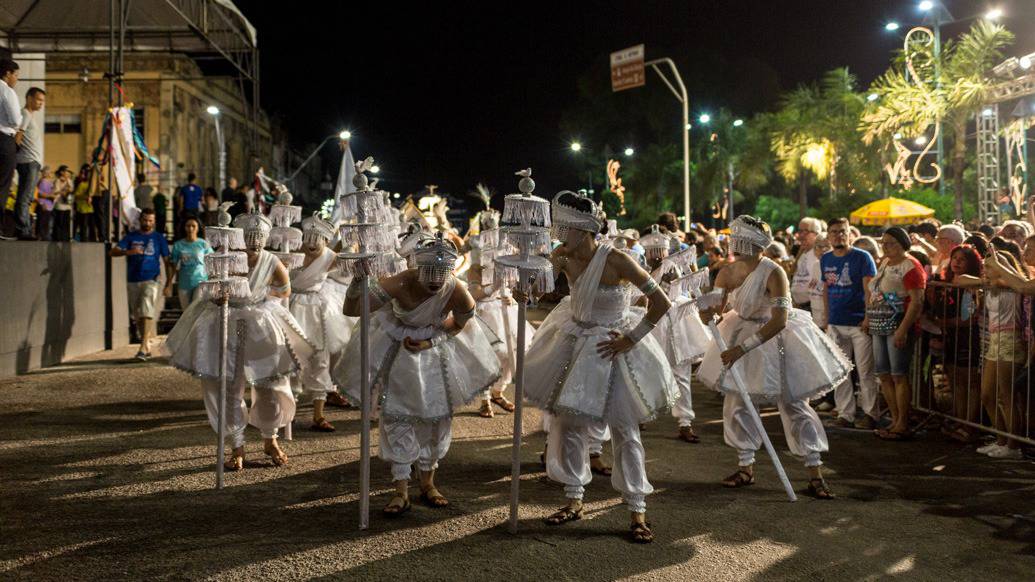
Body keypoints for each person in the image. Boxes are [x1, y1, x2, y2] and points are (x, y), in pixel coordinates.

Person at [522, 191, 675, 544]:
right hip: (574, 344)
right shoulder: (562, 256)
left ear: (585, 231)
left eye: (565, 230)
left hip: (613, 347)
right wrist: (526, 288)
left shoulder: (618, 260)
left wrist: (632, 338)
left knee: (625, 430)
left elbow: (660, 302)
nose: (560, 236)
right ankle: (573, 499)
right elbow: (535, 292)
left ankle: (637, 510)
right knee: (568, 423)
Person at [335, 234, 500, 516]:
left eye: (442, 273)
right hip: (397, 353)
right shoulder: (399, 282)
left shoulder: (456, 289)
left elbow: (461, 322)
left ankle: (428, 483)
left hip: (435, 354)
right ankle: (400, 490)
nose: (436, 279)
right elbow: (352, 309)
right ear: (416, 267)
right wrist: (359, 281)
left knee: (436, 420)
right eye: (430, 272)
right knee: (398, 417)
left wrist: (431, 341)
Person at [697, 215, 851, 501]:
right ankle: (745, 467)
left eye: (737, 238)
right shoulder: (726, 272)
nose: (733, 242)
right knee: (738, 402)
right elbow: (716, 309)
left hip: (775, 339)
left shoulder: (773, 271)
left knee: (793, 403)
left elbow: (779, 320)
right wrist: (705, 310)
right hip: (738, 331)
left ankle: (814, 471)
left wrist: (742, 348)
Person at [166, 210, 311, 470]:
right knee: (227, 386)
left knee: (270, 384)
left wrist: (265, 298)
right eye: (250, 236)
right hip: (224, 322)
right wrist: (220, 296)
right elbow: (211, 285)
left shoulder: (271, 261)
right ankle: (237, 444)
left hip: (260, 325)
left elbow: (285, 288)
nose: (255, 241)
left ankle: (270, 438)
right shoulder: (228, 259)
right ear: (240, 237)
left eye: (260, 237)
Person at [639, 226, 709, 443]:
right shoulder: (643, 268)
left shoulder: (673, 268)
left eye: (660, 251)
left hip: (678, 324)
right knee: (647, 370)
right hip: (654, 322)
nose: (657, 255)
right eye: (653, 252)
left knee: (681, 374)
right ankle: (641, 413)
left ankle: (685, 422)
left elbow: (673, 293)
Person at [288, 213, 353, 432]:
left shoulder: (331, 257)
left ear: (326, 240)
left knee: (320, 358)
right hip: (291, 307)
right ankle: (287, 413)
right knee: (291, 359)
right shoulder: (292, 252)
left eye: (319, 237)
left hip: (316, 311)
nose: (313, 242)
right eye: (309, 237)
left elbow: (351, 267)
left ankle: (318, 415)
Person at [465, 213, 530, 419]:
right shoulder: (475, 269)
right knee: (489, 357)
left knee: (514, 353)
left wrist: (509, 294)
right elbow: (474, 294)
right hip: (484, 313)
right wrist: (492, 288)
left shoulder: (506, 267)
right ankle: (484, 399)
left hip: (505, 311)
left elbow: (512, 284)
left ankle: (498, 392)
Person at [868, 227, 927, 441]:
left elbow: (917, 301)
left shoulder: (910, 265)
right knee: (884, 373)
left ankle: (903, 421)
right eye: (884, 242)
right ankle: (894, 419)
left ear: (902, 243)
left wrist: (903, 329)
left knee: (898, 374)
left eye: (891, 242)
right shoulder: (885, 263)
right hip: (879, 323)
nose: (885, 246)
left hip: (898, 324)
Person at [821, 218, 879, 429]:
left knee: (865, 371)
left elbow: (869, 290)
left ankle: (871, 413)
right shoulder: (826, 258)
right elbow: (826, 288)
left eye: (843, 231)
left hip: (858, 323)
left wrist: (867, 317)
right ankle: (846, 413)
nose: (839, 235)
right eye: (834, 232)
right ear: (828, 235)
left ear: (850, 234)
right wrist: (827, 318)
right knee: (840, 371)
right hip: (836, 322)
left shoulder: (862, 258)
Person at [928, 245, 983, 443]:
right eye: (955, 258)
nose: (957, 262)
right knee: (956, 380)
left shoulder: (971, 285)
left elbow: (971, 318)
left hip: (969, 337)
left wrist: (946, 323)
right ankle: (959, 420)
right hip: (951, 336)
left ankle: (970, 424)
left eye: (963, 259)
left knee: (970, 381)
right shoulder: (945, 283)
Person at [110, 208, 170, 360]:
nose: (148, 223)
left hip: (152, 279)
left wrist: (169, 282)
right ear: (140, 220)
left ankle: (143, 347)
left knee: (147, 310)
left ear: (154, 221)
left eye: (150, 221)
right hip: (133, 279)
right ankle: (147, 344)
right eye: (145, 220)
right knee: (137, 314)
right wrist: (128, 252)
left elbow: (166, 260)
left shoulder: (158, 238)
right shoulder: (131, 237)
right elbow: (112, 252)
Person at [12, 86, 44, 240]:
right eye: (38, 99)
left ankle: (23, 229)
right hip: (28, 161)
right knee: (25, 197)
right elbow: (18, 136)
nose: (41, 103)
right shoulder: (24, 114)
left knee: (27, 197)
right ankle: (22, 230)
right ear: (29, 98)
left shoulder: (30, 116)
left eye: (42, 100)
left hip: (32, 161)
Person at [164, 216, 212, 309]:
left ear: (198, 228)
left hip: (201, 281)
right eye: (188, 226)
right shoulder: (178, 245)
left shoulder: (204, 244)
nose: (190, 228)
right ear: (184, 227)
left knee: (197, 309)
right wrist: (168, 283)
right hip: (184, 283)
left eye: (193, 226)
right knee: (186, 312)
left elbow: (212, 261)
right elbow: (173, 266)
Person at [0, 59, 21, 240]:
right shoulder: (7, 91)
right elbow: (15, 119)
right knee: (3, 183)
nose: (16, 79)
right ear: (7, 73)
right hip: (4, 140)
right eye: (16, 75)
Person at [791, 217, 826, 311]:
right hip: (799, 307)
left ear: (816, 233)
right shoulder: (803, 251)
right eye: (799, 231)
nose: (800, 235)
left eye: (805, 231)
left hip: (812, 307)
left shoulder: (821, 253)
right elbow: (792, 273)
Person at [72, 165, 96, 242]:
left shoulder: (92, 185)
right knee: (83, 225)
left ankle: (93, 239)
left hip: (90, 209)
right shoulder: (81, 184)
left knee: (91, 225)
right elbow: (76, 195)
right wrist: (85, 197)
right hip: (82, 209)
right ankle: (83, 239)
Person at [51, 165, 73, 241]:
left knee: (66, 223)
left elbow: (72, 190)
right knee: (59, 222)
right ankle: (57, 237)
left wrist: (69, 189)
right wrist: (62, 191)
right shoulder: (57, 180)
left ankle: (65, 238)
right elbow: (55, 192)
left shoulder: (69, 181)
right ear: (61, 172)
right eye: (66, 171)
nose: (67, 173)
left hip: (67, 205)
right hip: (59, 204)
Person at [35, 165, 54, 240]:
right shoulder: (42, 181)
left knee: (46, 222)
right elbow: (39, 194)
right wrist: (49, 197)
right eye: (49, 172)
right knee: (42, 222)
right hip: (43, 204)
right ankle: (40, 235)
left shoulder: (49, 182)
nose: (50, 174)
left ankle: (45, 236)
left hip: (49, 206)